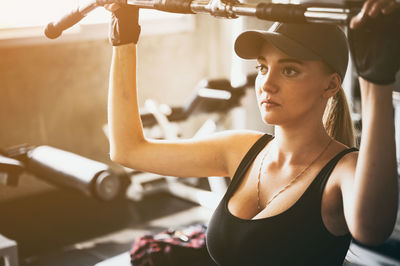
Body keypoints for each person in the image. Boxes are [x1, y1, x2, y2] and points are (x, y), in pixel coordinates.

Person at [104, 0, 400, 265]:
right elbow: (128, 150)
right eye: (262, 68)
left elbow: (371, 229)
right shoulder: (241, 148)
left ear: (331, 85)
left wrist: (377, 83)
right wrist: (124, 41)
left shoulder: (344, 170)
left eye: (289, 70)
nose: (266, 84)